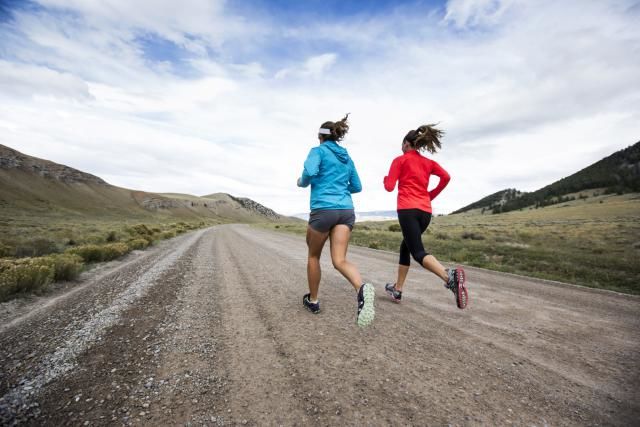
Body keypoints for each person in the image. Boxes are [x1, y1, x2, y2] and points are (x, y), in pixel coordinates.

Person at [297, 114, 375, 327]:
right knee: (339, 260)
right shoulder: (347, 158)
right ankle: (361, 288)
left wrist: (301, 181)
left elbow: (310, 172)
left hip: (324, 209)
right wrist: (340, 189)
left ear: (320, 136)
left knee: (313, 256)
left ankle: (313, 300)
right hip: (346, 210)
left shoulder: (318, 151)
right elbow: (357, 186)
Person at [383, 124, 468, 309]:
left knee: (418, 252)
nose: (401, 147)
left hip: (408, 210)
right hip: (425, 212)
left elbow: (389, 186)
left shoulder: (400, 160)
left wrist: (384, 179)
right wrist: (430, 195)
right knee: (406, 246)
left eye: (402, 144)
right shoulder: (428, 163)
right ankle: (397, 289)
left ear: (406, 144)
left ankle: (449, 277)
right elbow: (446, 177)